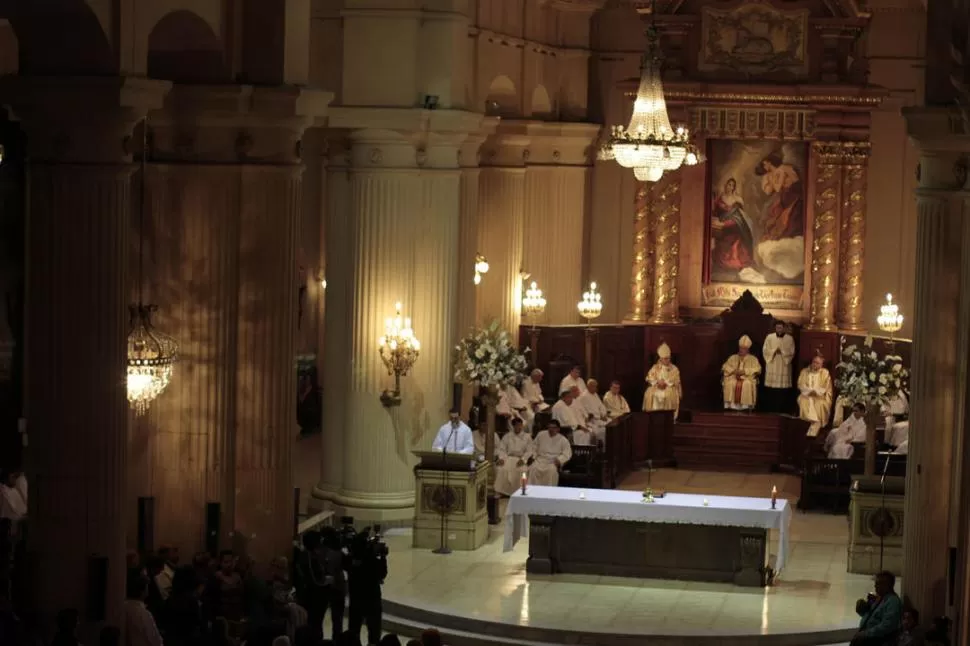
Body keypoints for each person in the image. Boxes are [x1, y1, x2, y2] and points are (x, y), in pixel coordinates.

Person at [347, 529, 387, 646]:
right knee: (374, 631)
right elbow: (382, 573)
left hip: (356, 599)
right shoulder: (372, 561)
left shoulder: (351, 560)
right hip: (372, 600)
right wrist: (383, 557)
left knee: (354, 629)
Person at [710, 177, 754, 275]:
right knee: (720, 242)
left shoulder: (737, 199)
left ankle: (735, 261)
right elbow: (716, 212)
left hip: (735, 225)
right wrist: (717, 220)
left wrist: (726, 223)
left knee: (734, 241)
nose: (730, 187)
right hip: (721, 225)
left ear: (734, 187)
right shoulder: (721, 198)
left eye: (732, 185)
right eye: (728, 184)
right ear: (725, 185)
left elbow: (740, 216)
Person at [851, 571, 902, 646]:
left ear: (886, 585)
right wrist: (862, 609)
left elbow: (887, 626)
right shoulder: (880, 598)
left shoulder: (893, 602)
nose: (875, 585)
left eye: (878, 583)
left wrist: (866, 633)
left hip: (878, 640)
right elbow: (872, 617)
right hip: (867, 636)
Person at [494, 418, 535, 496]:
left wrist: (523, 459)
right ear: (513, 426)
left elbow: (529, 450)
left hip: (520, 459)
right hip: (508, 458)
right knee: (502, 469)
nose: (518, 427)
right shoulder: (507, 436)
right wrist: (502, 458)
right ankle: (502, 492)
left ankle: (520, 492)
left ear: (522, 426)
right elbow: (502, 449)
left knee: (523, 470)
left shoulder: (527, 437)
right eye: (516, 425)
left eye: (520, 425)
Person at [123, 571, 165, 646]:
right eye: (147, 587)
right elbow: (157, 642)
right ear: (143, 590)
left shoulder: (122, 608)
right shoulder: (144, 614)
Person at [762, 320, 795, 413]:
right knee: (771, 389)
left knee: (782, 389)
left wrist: (783, 352)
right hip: (773, 362)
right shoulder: (769, 337)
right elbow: (765, 350)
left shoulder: (790, 338)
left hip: (783, 364)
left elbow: (792, 352)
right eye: (777, 327)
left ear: (784, 328)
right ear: (775, 328)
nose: (779, 329)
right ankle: (771, 409)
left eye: (781, 327)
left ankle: (782, 409)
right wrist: (773, 351)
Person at [722, 335, 761, 411]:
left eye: (743, 349)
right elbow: (724, 366)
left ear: (748, 350)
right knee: (730, 383)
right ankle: (731, 406)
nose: (741, 350)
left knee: (746, 384)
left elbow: (758, 369)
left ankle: (745, 406)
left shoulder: (753, 359)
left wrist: (745, 371)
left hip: (747, 378)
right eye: (740, 348)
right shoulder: (733, 357)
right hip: (733, 376)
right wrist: (733, 371)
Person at [528, 420, 572, 486]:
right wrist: (533, 456)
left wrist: (559, 460)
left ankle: (548, 492)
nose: (551, 429)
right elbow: (534, 447)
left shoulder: (563, 440)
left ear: (558, 429)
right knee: (533, 468)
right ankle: (533, 491)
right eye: (549, 427)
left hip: (552, 462)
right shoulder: (541, 434)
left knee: (551, 471)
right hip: (540, 460)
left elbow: (567, 453)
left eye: (553, 427)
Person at [797, 354, 834, 434]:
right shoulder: (804, 371)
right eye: (814, 362)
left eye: (818, 363)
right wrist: (809, 391)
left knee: (821, 404)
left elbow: (826, 387)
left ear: (821, 364)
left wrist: (816, 392)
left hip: (819, 397)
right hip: (806, 395)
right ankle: (806, 424)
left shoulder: (825, 373)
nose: (815, 364)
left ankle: (816, 424)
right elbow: (801, 384)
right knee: (803, 401)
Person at [643, 343, 681, 418]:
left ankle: (669, 419)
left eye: (669, 358)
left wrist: (665, 383)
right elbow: (649, 377)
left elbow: (676, 380)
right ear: (660, 359)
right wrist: (657, 382)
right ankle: (653, 418)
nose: (668, 360)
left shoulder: (674, 368)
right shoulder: (655, 367)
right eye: (665, 358)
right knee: (651, 394)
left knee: (668, 396)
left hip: (669, 388)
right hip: (656, 387)